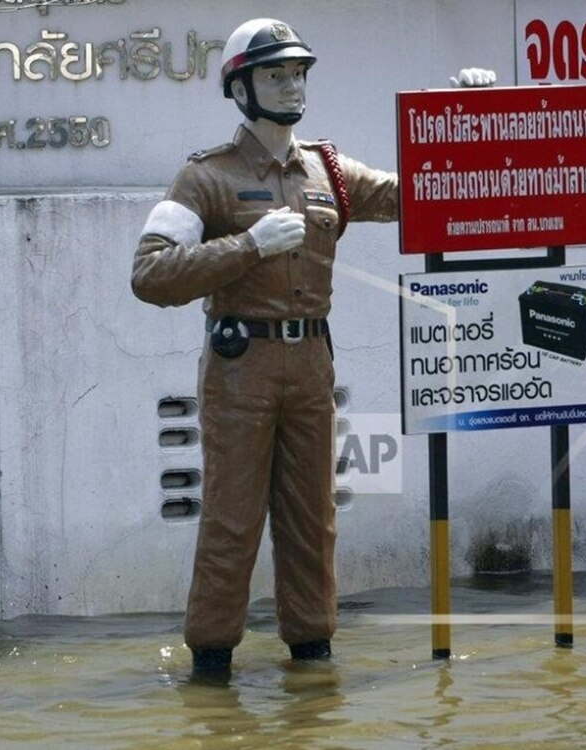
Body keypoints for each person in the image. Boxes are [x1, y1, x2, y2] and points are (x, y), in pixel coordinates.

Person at [130, 18, 493, 678]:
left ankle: (312, 657)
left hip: (310, 365)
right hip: (241, 367)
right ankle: (211, 667)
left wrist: (465, 114)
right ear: (241, 88)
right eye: (275, 73)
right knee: (232, 523)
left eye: (298, 72)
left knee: (312, 519)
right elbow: (149, 273)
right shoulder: (205, 179)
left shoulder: (328, 170)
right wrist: (245, 247)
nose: (292, 84)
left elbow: (423, 198)